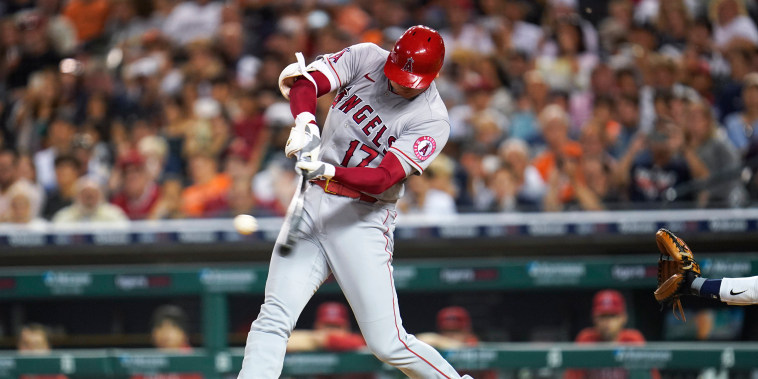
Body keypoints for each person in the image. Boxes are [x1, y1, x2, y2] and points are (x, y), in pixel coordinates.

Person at [238, 25, 474, 379]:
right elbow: (305, 83)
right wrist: (305, 121)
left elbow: (383, 177)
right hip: (310, 204)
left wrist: (326, 170)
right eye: (396, 74)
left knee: (387, 343)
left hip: (362, 218)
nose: (397, 84)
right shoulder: (367, 57)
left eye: (408, 80)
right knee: (273, 316)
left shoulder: (432, 119)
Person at [564, 290, 658, 379]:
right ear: (594, 318)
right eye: (603, 316)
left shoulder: (633, 340)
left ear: (623, 318)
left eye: (613, 316)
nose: (607, 322)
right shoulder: (586, 340)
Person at [287, 302, 366, 352]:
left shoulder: (357, 342)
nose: (332, 331)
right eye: (327, 326)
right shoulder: (310, 342)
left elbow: (361, 342)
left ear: (347, 328)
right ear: (316, 326)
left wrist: (324, 340)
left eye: (336, 326)